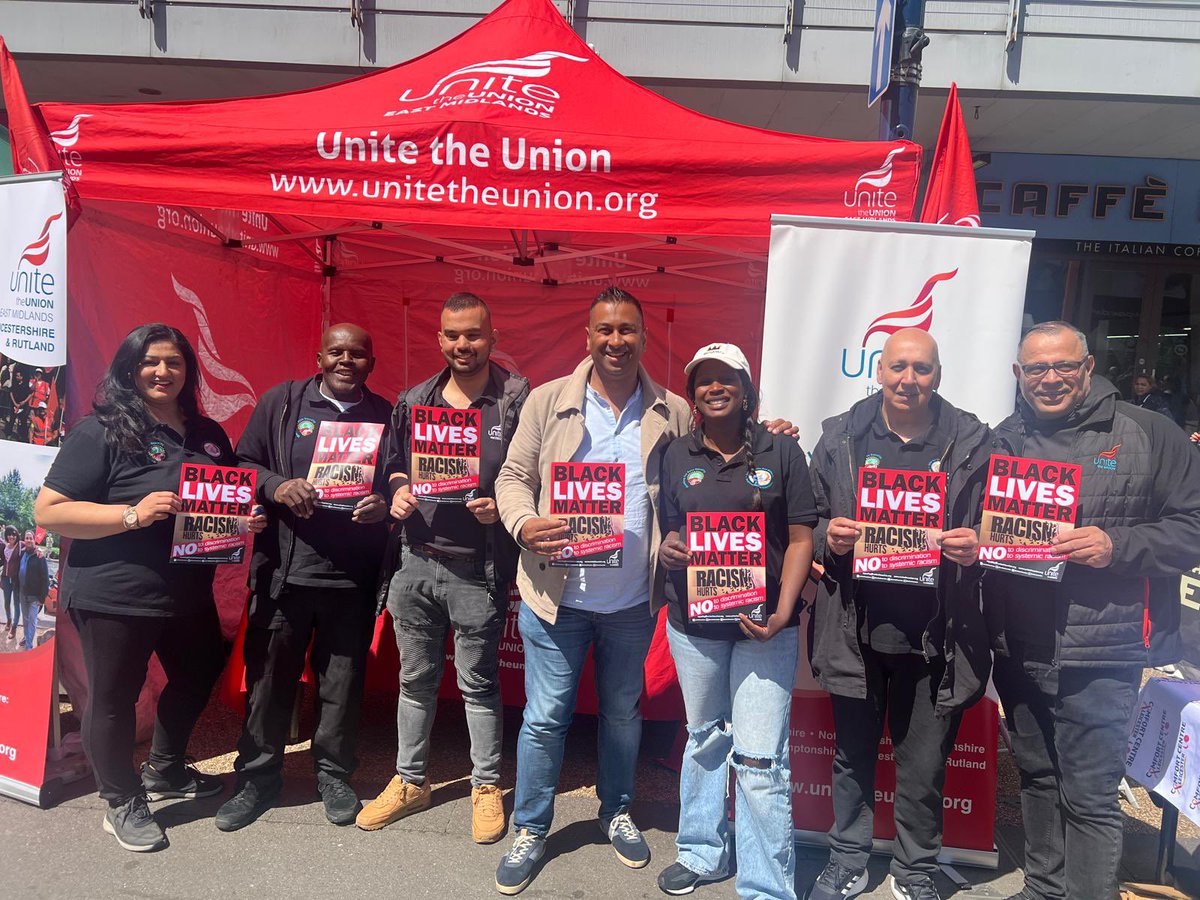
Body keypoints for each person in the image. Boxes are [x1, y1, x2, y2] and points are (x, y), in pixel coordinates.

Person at [492, 287, 795, 895]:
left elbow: (725, 444)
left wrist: (774, 430)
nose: (615, 341)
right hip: (556, 595)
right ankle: (530, 825)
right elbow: (513, 476)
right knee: (546, 719)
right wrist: (524, 523)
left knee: (623, 716)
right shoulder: (547, 401)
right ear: (587, 336)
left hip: (633, 600)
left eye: (627, 329)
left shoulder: (671, 409)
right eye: (604, 330)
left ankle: (617, 809)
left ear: (643, 337)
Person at [984, 321, 1200, 900]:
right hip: (1019, 645)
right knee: (1036, 776)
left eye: (1063, 366)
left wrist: (1117, 546)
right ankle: (1044, 887)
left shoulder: (1149, 432)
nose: (1050, 379)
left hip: (1104, 647)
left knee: (1090, 793)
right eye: (1036, 369)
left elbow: (1193, 527)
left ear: (1087, 366)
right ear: (1018, 375)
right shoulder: (1003, 439)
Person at [34, 323, 267, 853]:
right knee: (113, 698)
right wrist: (132, 515)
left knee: (200, 668)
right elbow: (48, 510)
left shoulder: (208, 434)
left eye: (175, 363)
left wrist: (242, 516)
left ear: (189, 371)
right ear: (130, 368)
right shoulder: (103, 431)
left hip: (186, 590)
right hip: (113, 593)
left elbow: (221, 497)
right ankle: (119, 799)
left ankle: (164, 767)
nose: (163, 372)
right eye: (151, 362)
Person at [804, 328, 996, 900]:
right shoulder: (840, 438)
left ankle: (915, 872)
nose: (908, 380)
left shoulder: (973, 442)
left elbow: (1000, 528)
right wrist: (827, 540)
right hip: (853, 630)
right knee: (851, 757)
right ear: (878, 370)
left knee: (923, 768)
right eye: (898, 367)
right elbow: (805, 522)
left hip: (939, 635)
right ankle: (847, 860)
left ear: (938, 374)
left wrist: (976, 546)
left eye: (922, 369)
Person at [356, 293, 528, 844]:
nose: (463, 345)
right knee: (415, 679)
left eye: (474, 335)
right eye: (453, 335)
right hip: (414, 563)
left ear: (493, 338)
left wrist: (502, 507)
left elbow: (537, 472)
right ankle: (411, 781)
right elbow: (394, 463)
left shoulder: (516, 400)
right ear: (439, 339)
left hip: (477, 569)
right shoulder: (414, 399)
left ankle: (485, 786)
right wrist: (401, 489)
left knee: (478, 683)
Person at [214, 323, 392, 832]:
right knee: (270, 682)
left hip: (351, 578)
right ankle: (256, 778)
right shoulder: (283, 403)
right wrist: (276, 484)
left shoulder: (384, 415)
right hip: (284, 575)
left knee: (342, 684)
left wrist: (382, 504)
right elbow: (243, 464)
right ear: (319, 357)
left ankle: (334, 774)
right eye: (337, 351)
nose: (346, 360)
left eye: (358, 354)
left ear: (371, 364)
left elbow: (397, 477)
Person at [654, 343, 817, 899]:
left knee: (759, 758)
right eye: (703, 381)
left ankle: (766, 885)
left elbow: (801, 538)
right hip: (695, 627)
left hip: (764, 628)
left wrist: (782, 612)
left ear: (748, 389)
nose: (715, 388)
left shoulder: (784, 451)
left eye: (727, 379)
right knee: (703, 737)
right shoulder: (674, 452)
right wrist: (672, 548)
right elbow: (671, 528)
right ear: (693, 393)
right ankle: (702, 852)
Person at [16, 530, 50, 651]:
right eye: (27, 538)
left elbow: (45, 578)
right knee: (25, 619)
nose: (29, 540)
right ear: (24, 540)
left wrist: (42, 597)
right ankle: (27, 637)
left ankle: (29, 646)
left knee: (32, 621)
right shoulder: (22, 553)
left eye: (31, 538)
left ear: (34, 539)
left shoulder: (39, 556)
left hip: (35, 596)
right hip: (23, 593)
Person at [3, 525, 19, 637]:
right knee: (6, 602)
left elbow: (31, 547)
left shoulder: (20, 545)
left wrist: (38, 551)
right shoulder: (4, 546)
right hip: (5, 578)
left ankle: (14, 627)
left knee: (16, 604)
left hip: (16, 580)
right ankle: (9, 620)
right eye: (9, 534)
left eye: (13, 534)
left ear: (16, 535)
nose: (11, 536)